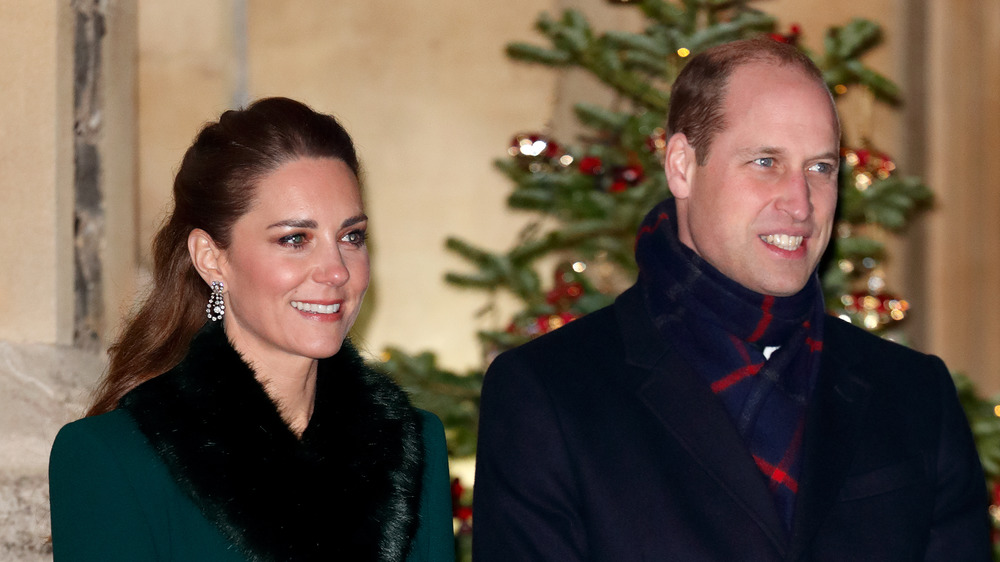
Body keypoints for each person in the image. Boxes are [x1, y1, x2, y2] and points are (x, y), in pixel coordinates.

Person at [472, 38, 991, 560]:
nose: (800, 202)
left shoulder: (915, 394)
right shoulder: (549, 392)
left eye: (821, 168)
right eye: (766, 161)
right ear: (681, 166)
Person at [49, 97, 455, 561]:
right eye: (295, 239)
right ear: (211, 257)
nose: (337, 270)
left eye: (351, 236)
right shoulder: (111, 459)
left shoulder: (413, 442)